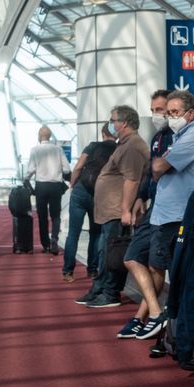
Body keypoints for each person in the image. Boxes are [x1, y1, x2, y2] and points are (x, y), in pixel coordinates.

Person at [116, 89, 194, 338]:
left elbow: (158, 165)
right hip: (163, 213)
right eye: (164, 112)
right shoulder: (171, 136)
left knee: (169, 270)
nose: (168, 117)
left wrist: (161, 166)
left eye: (173, 112)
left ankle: (165, 323)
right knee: (151, 263)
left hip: (180, 215)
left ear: (190, 114)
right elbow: (155, 169)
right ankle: (155, 317)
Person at [75, 105, 150, 308]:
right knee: (105, 252)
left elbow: (132, 180)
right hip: (111, 210)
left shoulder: (132, 146)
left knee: (113, 253)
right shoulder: (124, 144)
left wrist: (125, 209)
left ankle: (110, 293)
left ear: (123, 123)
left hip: (118, 210)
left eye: (113, 119)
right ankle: (99, 288)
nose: (111, 123)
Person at [116, 90, 173, 339]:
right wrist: (141, 196)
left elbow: (164, 170)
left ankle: (145, 316)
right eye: (153, 110)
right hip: (153, 206)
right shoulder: (157, 138)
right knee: (133, 258)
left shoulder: (179, 137)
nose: (156, 115)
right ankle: (153, 313)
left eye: (160, 110)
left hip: (169, 209)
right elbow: (151, 172)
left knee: (154, 264)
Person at [62, 123, 116, 282]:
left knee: (73, 233)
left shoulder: (93, 146)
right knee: (96, 233)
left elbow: (78, 167)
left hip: (81, 190)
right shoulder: (118, 149)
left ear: (103, 133)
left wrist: (72, 186)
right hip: (99, 194)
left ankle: (68, 272)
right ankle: (92, 270)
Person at [25, 127, 71, 255]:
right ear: (50, 136)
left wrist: (26, 179)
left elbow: (30, 170)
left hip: (41, 186)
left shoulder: (35, 150)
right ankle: (54, 239)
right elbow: (67, 169)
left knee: (42, 216)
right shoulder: (58, 149)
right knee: (56, 216)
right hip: (56, 186)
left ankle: (45, 244)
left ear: (40, 135)